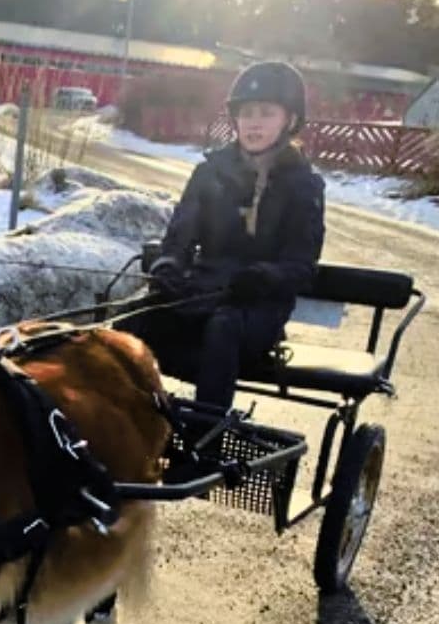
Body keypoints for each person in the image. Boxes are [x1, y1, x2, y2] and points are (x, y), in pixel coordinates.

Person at [120, 60, 327, 416]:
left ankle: (207, 431)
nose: (254, 123)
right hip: (201, 292)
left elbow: (301, 265)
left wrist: (263, 277)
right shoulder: (209, 173)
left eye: (266, 113)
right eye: (247, 113)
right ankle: (126, 422)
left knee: (223, 326)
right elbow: (180, 236)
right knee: (132, 319)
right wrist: (169, 267)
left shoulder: (303, 186)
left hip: (259, 307)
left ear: (290, 120)